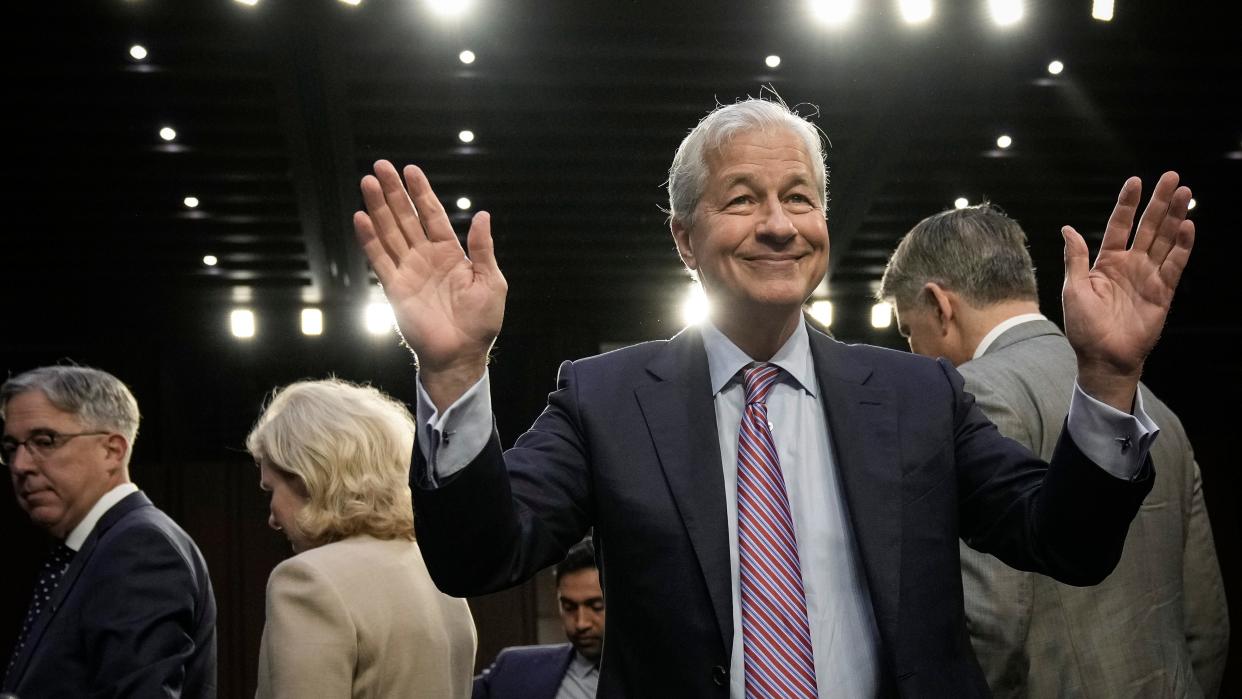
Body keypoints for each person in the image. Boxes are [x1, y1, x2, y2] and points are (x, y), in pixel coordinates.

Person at [350, 97, 1195, 696]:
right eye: (743, 200)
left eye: (800, 197)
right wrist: (456, 372)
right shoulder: (605, 397)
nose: (780, 223)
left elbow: (1067, 541)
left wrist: (1109, 379)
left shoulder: (916, 393)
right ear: (685, 236)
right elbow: (479, 554)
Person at [878, 203, 1229, 697]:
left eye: (910, 331)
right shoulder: (1151, 411)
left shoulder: (967, 397)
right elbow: (1206, 620)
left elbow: (988, 628)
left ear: (940, 305)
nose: (914, 352)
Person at [246, 378, 476, 699]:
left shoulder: (307, 580)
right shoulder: (439, 576)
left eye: (270, 489)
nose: (271, 517)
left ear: (308, 478)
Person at [0, 365, 217, 697]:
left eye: (44, 441)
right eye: (12, 447)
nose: (21, 465)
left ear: (112, 451)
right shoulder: (101, 545)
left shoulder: (140, 549)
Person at [473, 539, 605, 699]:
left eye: (597, 606)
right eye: (569, 607)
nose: (581, 623)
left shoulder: (641, 674)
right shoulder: (515, 670)